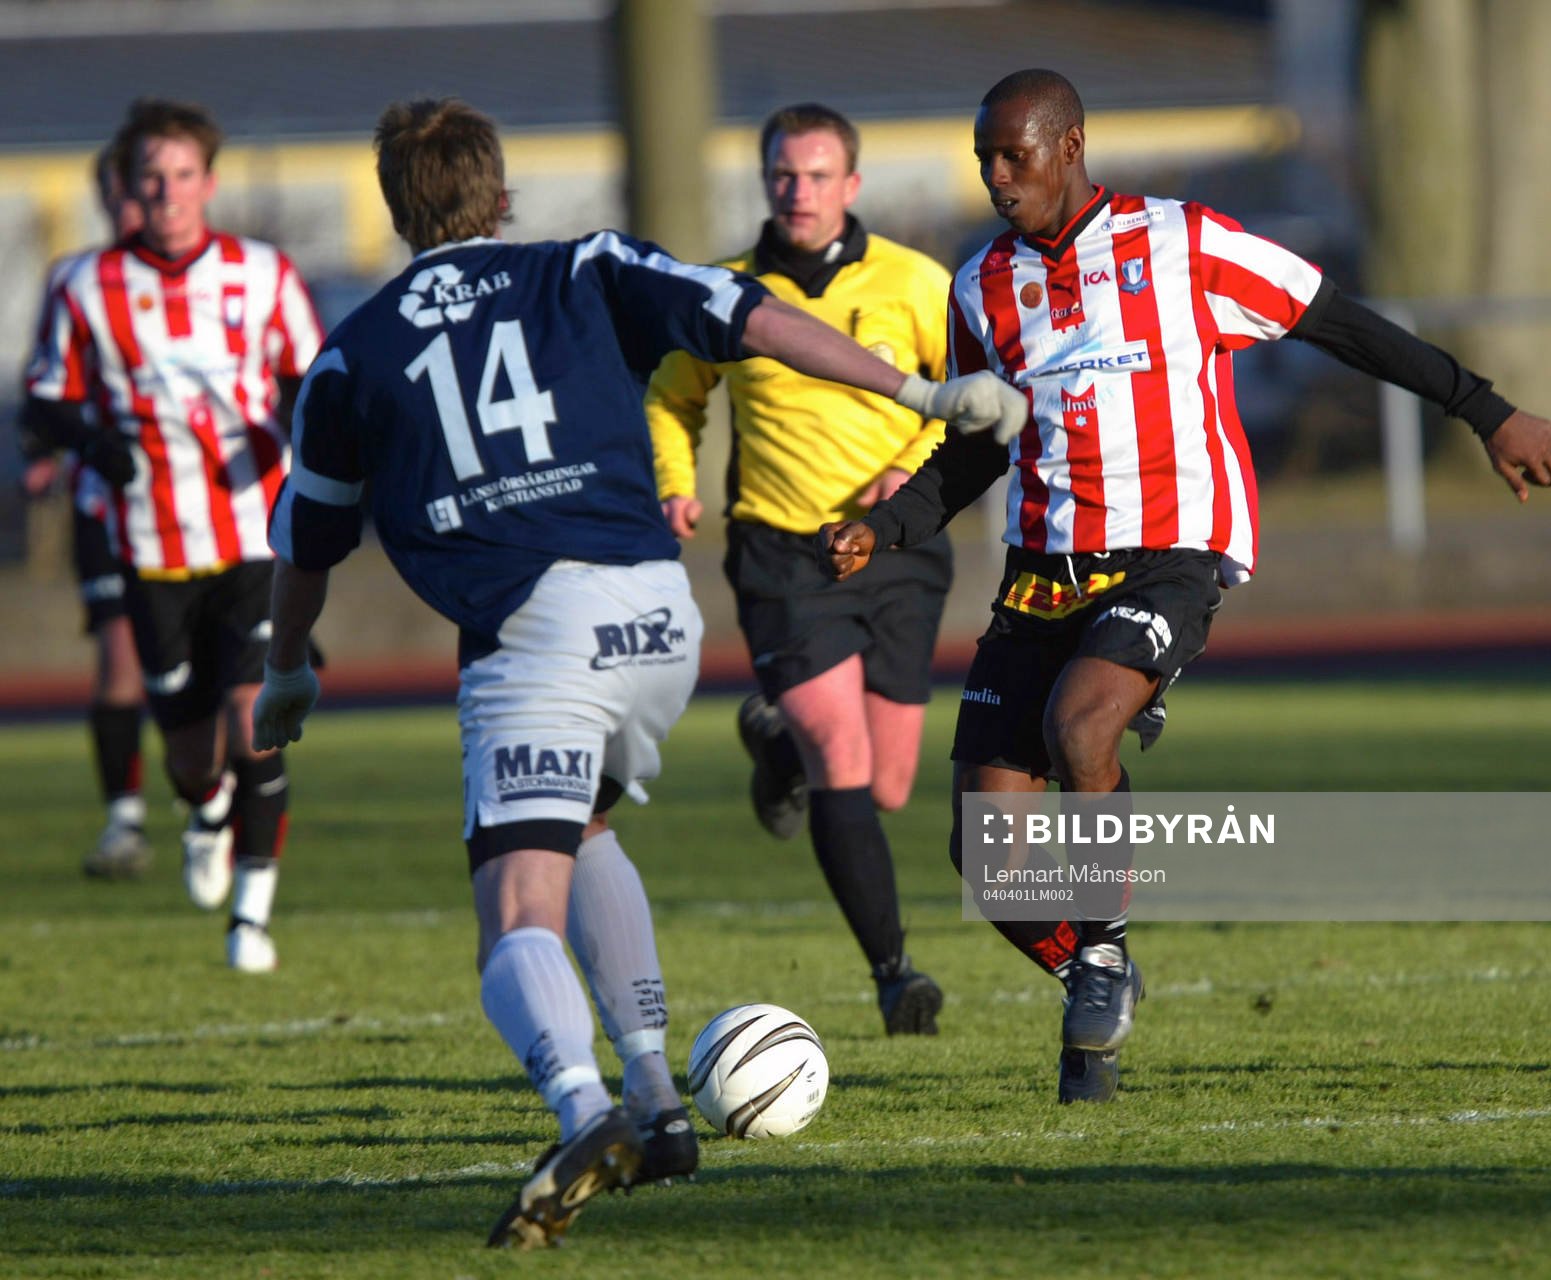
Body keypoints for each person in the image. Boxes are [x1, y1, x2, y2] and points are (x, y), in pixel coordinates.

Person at [249, 98, 1022, 1249]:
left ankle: (581, 1109)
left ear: (396, 211)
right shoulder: (587, 264)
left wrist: (286, 673)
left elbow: (307, 535)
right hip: (658, 612)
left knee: (515, 903)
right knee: (591, 826)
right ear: (498, 194)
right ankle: (659, 1101)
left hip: (533, 629)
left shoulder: (352, 350)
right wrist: (914, 393)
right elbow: (748, 317)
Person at [822, 69, 1551, 1106]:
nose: (995, 177)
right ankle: (1101, 969)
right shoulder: (979, 284)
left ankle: (1098, 962)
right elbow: (975, 446)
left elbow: (1335, 321)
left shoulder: (1180, 243)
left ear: (1070, 144)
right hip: (1043, 574)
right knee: (991, 866)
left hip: (1172, 552)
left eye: (1015, 156)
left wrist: (1484, 411)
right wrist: (887, 525)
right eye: (984, 158)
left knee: (1082, 728)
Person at [646, 103, 952, 1036]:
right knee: (843, 760)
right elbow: (671, 395)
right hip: (783, 553)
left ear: (851, 186)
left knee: (891, 784)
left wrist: (919, 464)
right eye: (784, 173)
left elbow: (972, 401)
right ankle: (896, 977)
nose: (799, 190)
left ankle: (775, 746)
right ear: (764, 180)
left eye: (818, 175)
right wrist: (673, 483)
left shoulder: (916, 282)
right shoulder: (727, 293)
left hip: (897, 550)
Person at [24, 98, 324, 971]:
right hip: (151, 546)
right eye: (151, 178)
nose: (167, 192)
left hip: (255, 534)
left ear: (208, 182)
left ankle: (252, 919)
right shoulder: (84, 285)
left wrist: (315, 456)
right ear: (129, 186)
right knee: (194, 753)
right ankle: (204, 809)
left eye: (182, 175)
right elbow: (44, 398)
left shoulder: (263, 272)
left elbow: (312, 377)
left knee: (254, 714)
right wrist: (94, 442)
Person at [17, 136, 152, 879]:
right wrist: (47, 450)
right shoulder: (75, 280)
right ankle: (124, 822)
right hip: (108, 506)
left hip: (206, 516)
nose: (138, 203)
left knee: (210, 673)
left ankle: (218, 808)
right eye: (126, 189)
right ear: (106, 195)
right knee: (119, 656)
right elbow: (43, 394)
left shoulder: (220, 277)